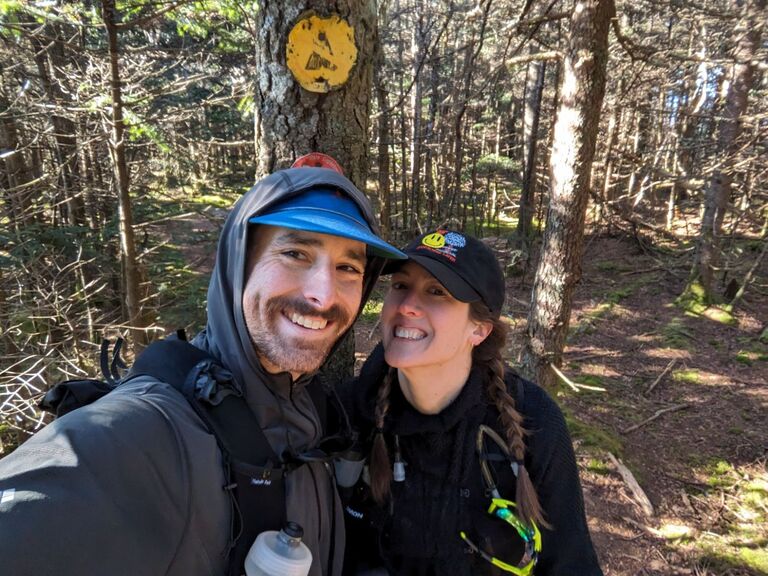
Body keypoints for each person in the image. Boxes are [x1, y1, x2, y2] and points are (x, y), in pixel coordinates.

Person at [0, 160, 406, 576]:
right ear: (238, 262)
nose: (322, 294)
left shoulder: (314, 412)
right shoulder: (139, 434)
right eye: (295, 253)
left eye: (348, 268)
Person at [342, 229, 603, 575]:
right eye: (400, 286)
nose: (406, 306)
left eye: (436, 292)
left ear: (479, 330)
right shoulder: (350, 411)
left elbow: (570, 564)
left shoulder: (534, 422)